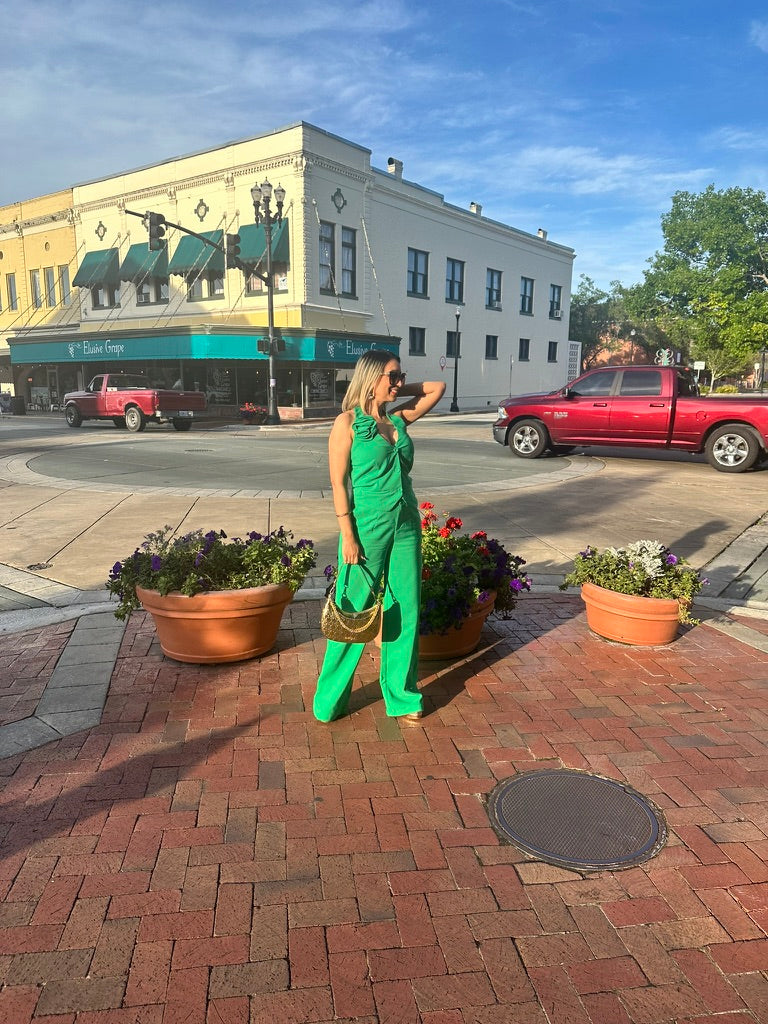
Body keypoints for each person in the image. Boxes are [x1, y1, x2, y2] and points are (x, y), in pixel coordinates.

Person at [314, 350, 445, 723]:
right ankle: (330, 698)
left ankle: (402, 695)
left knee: (406, 607)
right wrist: (347, 536)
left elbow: (437, 388)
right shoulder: (347, 424)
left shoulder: (398, 420)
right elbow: (338, 484)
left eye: (401, 376)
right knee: (352, 611)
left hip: (406, 524)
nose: (399, 382)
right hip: (366, 527)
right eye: (392, 376)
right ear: (370, 377)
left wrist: (400, 385)